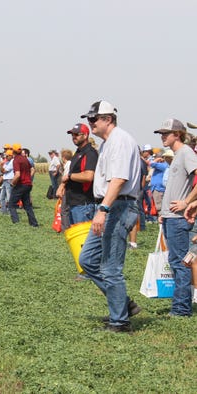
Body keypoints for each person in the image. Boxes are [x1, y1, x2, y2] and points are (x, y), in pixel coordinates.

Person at [77, 100, 142, 333]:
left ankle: (120, 322)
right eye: (89, 119)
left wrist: (103, 210)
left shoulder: (120, 141)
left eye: (94, 119)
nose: (90, 123)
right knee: (87, 260)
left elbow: (119, 179)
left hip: (117, 206)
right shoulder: (108, 143)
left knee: (111, 267)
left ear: (108, 119)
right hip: (108, 206)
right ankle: (123, 304)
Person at [154, 119, 197, 318]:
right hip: (170, 217)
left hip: (178, 218)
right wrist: (163, 213)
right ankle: (180, 306)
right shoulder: (178, 155)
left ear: (177, 134)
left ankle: (181, 309)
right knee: (175, 261)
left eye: (166, 133)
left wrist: (186, 202)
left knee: (180, 263)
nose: (162, 136)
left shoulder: (186, 153)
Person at [56, 123, 99, 225]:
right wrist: (62, 185)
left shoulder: (90, 153)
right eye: (72, 135)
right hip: (74, 202)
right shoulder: (78, 152)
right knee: (76, 237)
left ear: (85, 135)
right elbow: (72, 172)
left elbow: (88, 176)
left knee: (83, 238)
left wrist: (70, 176)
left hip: (83, 204)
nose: (74, 137)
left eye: (77, 134)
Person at [8, 143, 38, 227]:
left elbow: (17, 174)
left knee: (11, 205)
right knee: (27, 205)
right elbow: (32, 169)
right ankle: (34, 224)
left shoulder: (16, 160)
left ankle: (16, 223)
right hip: (28, 184)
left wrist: (12, 183)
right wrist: (28, 178)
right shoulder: (25, 159)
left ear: (13, 151)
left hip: (21, 185)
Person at [0, 149, 14, 214]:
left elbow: (4, 171)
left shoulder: (12, 162)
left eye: (7, 156)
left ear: (11, 156)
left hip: (9, 181)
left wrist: (1, 165)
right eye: (5, 156)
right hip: (5, 180)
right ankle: (3, 210)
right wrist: (0, 165)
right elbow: (2, 171)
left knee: (9, 198)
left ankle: (10, 211)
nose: (6, 157)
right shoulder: (7, 162)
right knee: (1, 197)